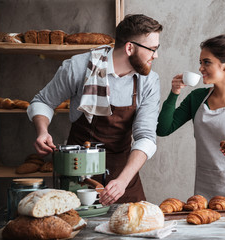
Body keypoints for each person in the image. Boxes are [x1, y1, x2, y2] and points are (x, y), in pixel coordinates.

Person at [27, 14, 163, 205]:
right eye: (152, 49)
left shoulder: (148, 81)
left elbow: (146, 137)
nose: (155, 55)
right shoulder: (79, 67)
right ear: (129, 48)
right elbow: (42, 101)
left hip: (122, 173)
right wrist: (42, 132)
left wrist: (123, 181)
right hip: (77, 170)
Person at [156, 34, 225, 207]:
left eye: (206, 62)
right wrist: (174, 93)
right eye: (200, 62)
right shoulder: (196, 98)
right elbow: (163, 129)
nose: (200, 68)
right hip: (205, 191)